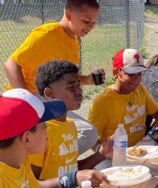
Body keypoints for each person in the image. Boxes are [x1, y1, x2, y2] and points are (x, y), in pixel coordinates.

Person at [4, 0, 102, 155]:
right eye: (86, 21)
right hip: (30, 98)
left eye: (94, 22)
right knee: (88, 133)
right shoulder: (46, 34)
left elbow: (64, 78)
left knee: (88, 134)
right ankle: (48, 161)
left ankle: (52, 161)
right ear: (69, 15)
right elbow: (11, 64)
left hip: (49, 98)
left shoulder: (73, 40)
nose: (91, 26)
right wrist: (26, 103)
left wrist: (87, 80)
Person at [0, 88, 107, 188]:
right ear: (27, 139)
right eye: (44, 126)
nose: (47, 131)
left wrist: (73, 178)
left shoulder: (19, 160)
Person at [30, 60, 113, 188]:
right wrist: (72, 179)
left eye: (79, 85)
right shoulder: (40, 132)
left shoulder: (70, 125)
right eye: (71, 87)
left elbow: (71, 170)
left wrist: (101, 154)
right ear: (49, 93)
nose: (79, 91)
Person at [88, 49, 158, 146]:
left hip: (139, 149)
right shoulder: (102, 102)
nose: (137, 79)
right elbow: (89, 139)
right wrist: (104, 154)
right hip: (117, 155)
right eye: (131, 74)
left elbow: (157, 113)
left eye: (139, 74)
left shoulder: (140, 89)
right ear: (116, 73)